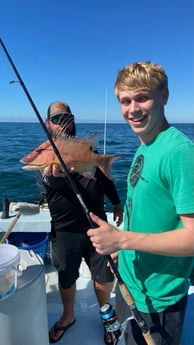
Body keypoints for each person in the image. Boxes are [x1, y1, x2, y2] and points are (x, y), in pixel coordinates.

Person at [87, 61, 194, 345]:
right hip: (132, 284)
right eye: (125, 100)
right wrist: (122, 251)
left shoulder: (179, 152)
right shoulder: (146, 145)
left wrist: (122, 240)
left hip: (159, 299)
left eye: (142, 98)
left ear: (164, 97)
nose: (133, 109)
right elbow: (148, 213)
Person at [38, 101, 123, 344]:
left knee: (103, 277)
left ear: (73, 120)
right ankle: (68, 316)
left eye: (66, 118)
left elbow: (105, 180)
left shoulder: (89, 151)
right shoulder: (45, 151)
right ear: (48, 123)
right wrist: (55, 175)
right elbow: (48, 182)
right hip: (65, 229)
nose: (62, 123)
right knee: (66, 276)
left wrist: (116, 203)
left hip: (98, 225)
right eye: (56, 119)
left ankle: (107, 318)